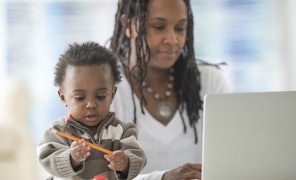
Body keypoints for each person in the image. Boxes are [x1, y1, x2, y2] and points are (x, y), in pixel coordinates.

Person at [108, 0, 230, 179]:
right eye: (159, 27)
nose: (173, 40)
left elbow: (230, 162)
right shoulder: (105, 88)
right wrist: (163, 178)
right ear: (128, 25)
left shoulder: (209, 81)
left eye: (180, 28)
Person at [37, 41, 147, 180]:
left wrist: (125, 162)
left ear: (112, 94)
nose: (91, 104)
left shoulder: (123, 130)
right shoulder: (58, 131)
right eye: (80, 97)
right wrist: (72, 158)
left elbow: (138, 156)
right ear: (63, 97)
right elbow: (46, 159)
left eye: (100, 96)